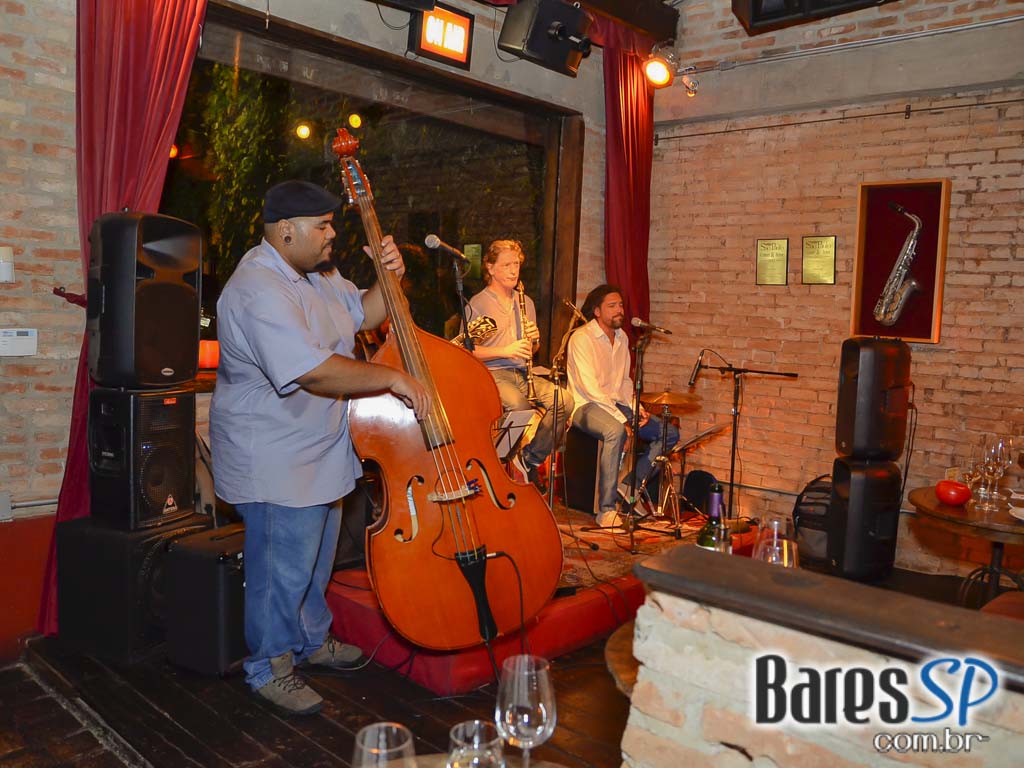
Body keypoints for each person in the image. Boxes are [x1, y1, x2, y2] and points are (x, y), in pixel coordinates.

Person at [209, 180, 429, 716]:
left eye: (333, 223)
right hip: (276, 458)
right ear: (286, 230)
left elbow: (369, 314)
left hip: (320, 448)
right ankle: (269, 667)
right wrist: (392, 378)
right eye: (323, 226)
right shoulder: (258, 288)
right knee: (280, 573)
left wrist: (389, 277)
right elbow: (312, 371)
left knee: (315, 564)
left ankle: (310, 642)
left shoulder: (321, 275)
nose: (333, 235)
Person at [566, 284, 678, 528]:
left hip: (615, 404)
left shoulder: (622, 337)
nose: (619, 310)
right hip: (585, 405)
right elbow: (590, 389)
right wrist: (623, 420)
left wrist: (637, 409)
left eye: (620, 305)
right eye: (612, 306)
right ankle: (606, 510)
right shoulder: (582, 338)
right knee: (615, 432)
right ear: (597, 311)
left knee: (669, 433)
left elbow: (625, 382)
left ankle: (629, 486)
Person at [467, 239, 572, 490]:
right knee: (519, 407)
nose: (514, 271)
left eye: (516, 264)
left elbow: (531, 350)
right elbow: (467, 350)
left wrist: (535, 341)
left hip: (523, 372)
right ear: (490, 268)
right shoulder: (479, 303)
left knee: (564, 401)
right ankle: (496, 462)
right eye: (506, 265)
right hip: (494, 373)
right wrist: (505, 350)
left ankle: (529, 459)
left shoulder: (526, 302)